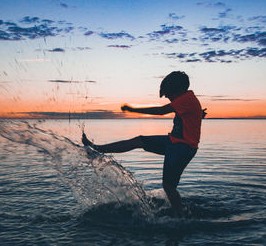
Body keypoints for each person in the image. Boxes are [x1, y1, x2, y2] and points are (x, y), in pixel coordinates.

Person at [82, 71, 206, 217]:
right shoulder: (187, 100)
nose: (168, 97)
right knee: (139, 141)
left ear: (177, 89)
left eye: (169, 94)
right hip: (173, 143)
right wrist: (199, 115)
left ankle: (180, 217)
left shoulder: (187, 99)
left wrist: (132, 109)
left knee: (168, 186)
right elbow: (190, 116)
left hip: (182, 147)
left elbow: (161, 111)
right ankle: (98, 149)